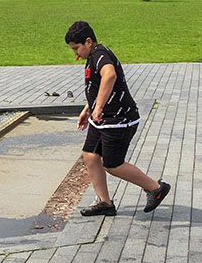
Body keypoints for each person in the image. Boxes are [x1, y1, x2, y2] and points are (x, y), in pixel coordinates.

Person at [65, 21, 170, 216]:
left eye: (76, 48)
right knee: (90, 155)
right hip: (102, 119)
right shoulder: (93, 55)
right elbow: (97, 86)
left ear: (88, 41)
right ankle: (105, 202)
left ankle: (155, 188)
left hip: (119, 119)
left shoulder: (100, 55)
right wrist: (88, 108)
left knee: (112, 164)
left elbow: (110, 76)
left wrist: (100, 107)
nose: (76, 54)